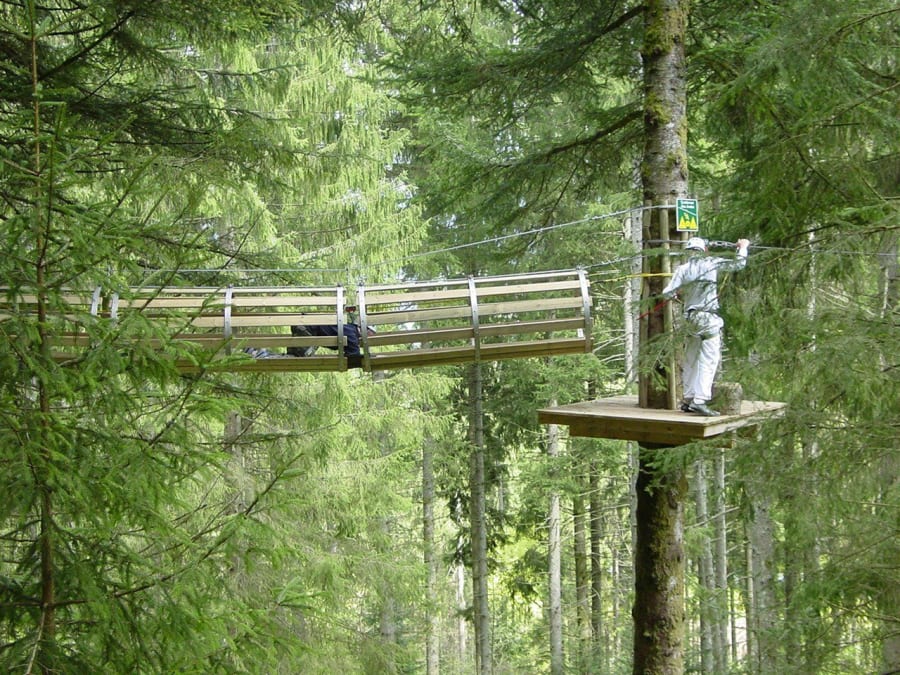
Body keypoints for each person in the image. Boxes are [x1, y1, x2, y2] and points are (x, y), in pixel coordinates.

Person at [661, 236, 750, 416]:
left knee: (691, 356)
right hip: (707, 317)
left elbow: (667, 292)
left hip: (690, 318)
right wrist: (743, 247)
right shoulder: (711, 263)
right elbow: (738, 264)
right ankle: (700, 400)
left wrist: (677, 296)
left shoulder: (683, 269)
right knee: (709, 358)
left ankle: (688, 398)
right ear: (705, 250)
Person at [288, 322, 376, 366]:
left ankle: (292, 352)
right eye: (371, 333)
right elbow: (354, 356)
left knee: (295, 355)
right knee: (301, 358)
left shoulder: (349, 328)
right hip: (306, 329)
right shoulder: (352, 335)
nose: (370, 336)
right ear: (365, 329)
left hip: (302, 326)